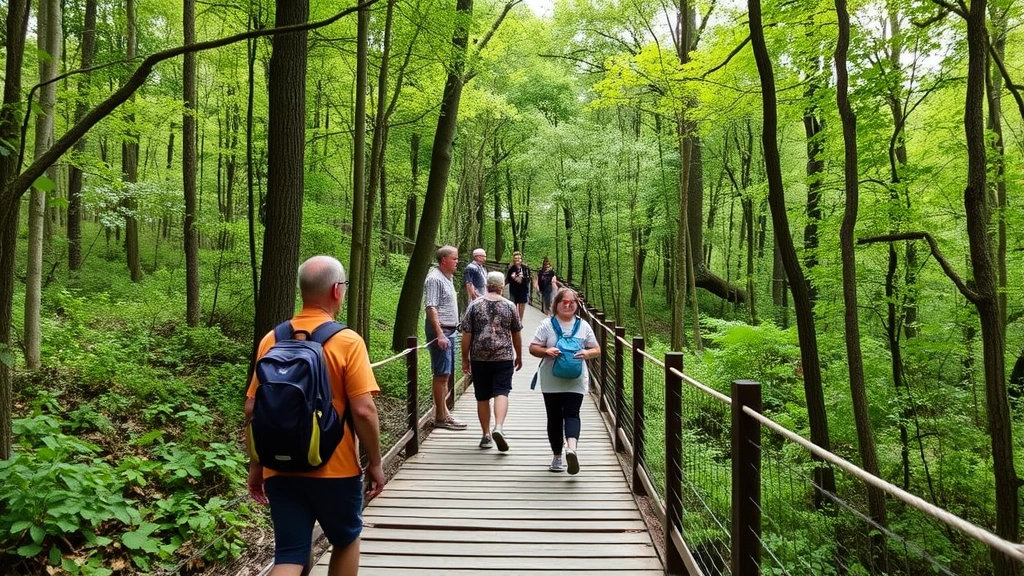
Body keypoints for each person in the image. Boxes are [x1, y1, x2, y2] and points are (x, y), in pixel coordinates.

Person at [245, 255, 385, 576]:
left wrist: (257, 466)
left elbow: (253, 408)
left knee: (289, 554)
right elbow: (363, 410)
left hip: (279, 469)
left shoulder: (272, 339)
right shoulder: (347, 341)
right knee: (346, 540)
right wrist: (375, 462)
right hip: (335, 470)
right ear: (337, 291)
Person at [528, 286, 600, 475]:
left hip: (575, 380)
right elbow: (533, 347)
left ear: (577, 304)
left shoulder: (583, 326)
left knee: (572, 413)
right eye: (564, 302)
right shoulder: (546, 325)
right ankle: (561, 454)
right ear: (556, 304)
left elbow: (596, 350)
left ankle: (569, 452)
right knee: (555, 417)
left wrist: (587, 352)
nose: (568, 305)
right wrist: (546, 351)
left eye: (572, 302)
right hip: (551, 379)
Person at [461, 271, 523, 451]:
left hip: (479, 357)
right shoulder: (510, 306)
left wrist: (465, 358)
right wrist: (518, 355)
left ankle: (486, 435)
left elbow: (467, 334)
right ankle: (499, 427)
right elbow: (516, 334)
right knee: (502, 391)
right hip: (503, 356)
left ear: (487, 285)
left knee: (482, 396)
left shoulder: (474, 305)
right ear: (502, 287)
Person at [423, 245, 468, 430]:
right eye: (455, 258)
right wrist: (440, 333)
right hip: (442, 332)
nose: (457, 262)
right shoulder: (434, 279)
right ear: (444, 260)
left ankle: (443, 413)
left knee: (446, 374)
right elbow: (431, 307)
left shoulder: (447, 278)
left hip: (451, 331)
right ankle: (441, 417)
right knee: (441, 374)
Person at [505, 251, 532, 320]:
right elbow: (508, 279)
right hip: (513, 290)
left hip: (523, 290)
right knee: (513, 306)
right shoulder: (511, 268)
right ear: (513, 259)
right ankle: (514, 320)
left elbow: (528, 279)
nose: (517, 260)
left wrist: (519, 279)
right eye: (516, 258)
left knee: (521, 305)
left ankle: (520, 321)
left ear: (521, 260)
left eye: (519, 258)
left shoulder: (525, 268)